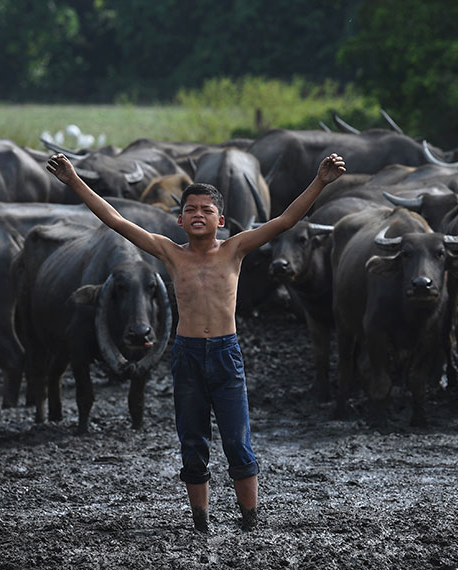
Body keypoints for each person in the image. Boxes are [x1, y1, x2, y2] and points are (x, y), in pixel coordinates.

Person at [46, 151, 346, 533]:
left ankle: (250, 520)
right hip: (187, 357)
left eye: (207, 209)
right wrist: (73, 180)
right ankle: (200, 522)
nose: (198, 214)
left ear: (220, 221)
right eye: (191, 209)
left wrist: (320, 181)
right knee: (192, 441)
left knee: (237, 441)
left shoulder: (235, 250)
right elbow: (116, 219)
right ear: (180, 219)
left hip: (225, 355)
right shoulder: (171, 253)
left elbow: (286, 220)